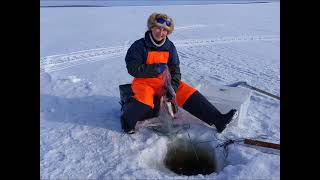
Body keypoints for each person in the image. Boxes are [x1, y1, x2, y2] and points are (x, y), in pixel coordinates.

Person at [120, 12, 237, 134]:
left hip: (164, 82)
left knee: (187, 92)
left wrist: (173, 87)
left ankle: (218, 120)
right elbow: (132, 68)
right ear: (151, 28)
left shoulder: (169, 47)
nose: (161, 32)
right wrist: (154, 69)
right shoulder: (139, 46)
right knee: (145, 102)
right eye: (158, 28)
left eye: (165, 30)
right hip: (143, 82)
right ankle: (127, 121)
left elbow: (175, 69)